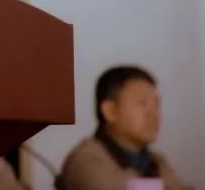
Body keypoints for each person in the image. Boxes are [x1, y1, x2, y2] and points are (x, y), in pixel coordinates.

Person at [57, 65, 186, 190]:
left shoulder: (158, 162)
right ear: (110, 111)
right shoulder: (86, 160)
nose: (154, 114)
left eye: (157, 104)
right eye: (142, 103)